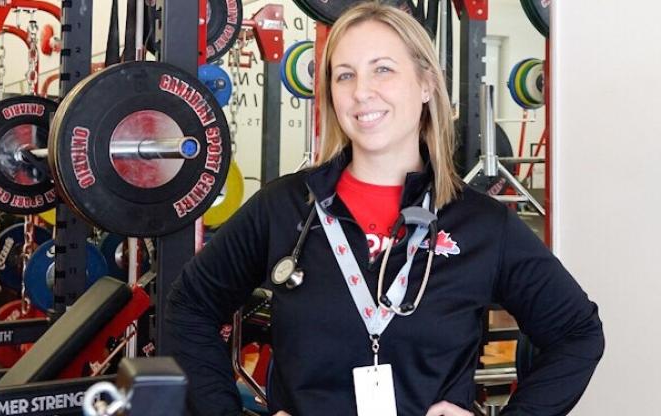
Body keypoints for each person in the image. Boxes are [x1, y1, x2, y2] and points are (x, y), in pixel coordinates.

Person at [165, 2, 604, 415]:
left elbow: (578, 334)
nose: (362, 92)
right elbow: (190, 307)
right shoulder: (284, 207)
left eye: (383, 70)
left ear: (427, 84)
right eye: (345, 76)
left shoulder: (483, 225)